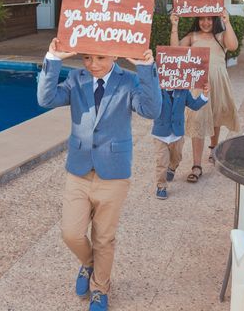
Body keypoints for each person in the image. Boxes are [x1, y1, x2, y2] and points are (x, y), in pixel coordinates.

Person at [37, 38, 161, 311]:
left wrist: (146, 68)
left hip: (114, 172)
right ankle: (90, 263)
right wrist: (53, 57)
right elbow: (45, 99)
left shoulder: (128, 81)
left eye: (101, 58)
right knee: (71, 232)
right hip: (79, 169)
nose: (93, 64)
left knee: (105, 237)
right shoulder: (75, 78)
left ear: (115, 54)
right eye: (87, 58)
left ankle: (100, 288)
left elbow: (152, 110)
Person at [170, 9, 239, 182]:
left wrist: (227, 21)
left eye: (209, 19)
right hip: (199, 83)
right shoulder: (193, 36)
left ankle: (214, 148)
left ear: (214, 19)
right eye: (202, 19)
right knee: (198, 119)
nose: (206, 22)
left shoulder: (221, 36)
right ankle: (196, 165)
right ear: (197, 20)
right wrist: (174, 26)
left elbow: (233, 46)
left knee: (216, 116)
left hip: (218, 81)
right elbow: (175, 50)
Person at [152, 82, 210, 199]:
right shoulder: (156, 90)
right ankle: (161, 186)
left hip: (177, 134)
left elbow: (194, 105)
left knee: (177, 157)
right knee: (161, 162)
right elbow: (150, 105)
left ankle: (172, 167)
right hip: (160, 134)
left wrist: (204, 95)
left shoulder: (183, 90)